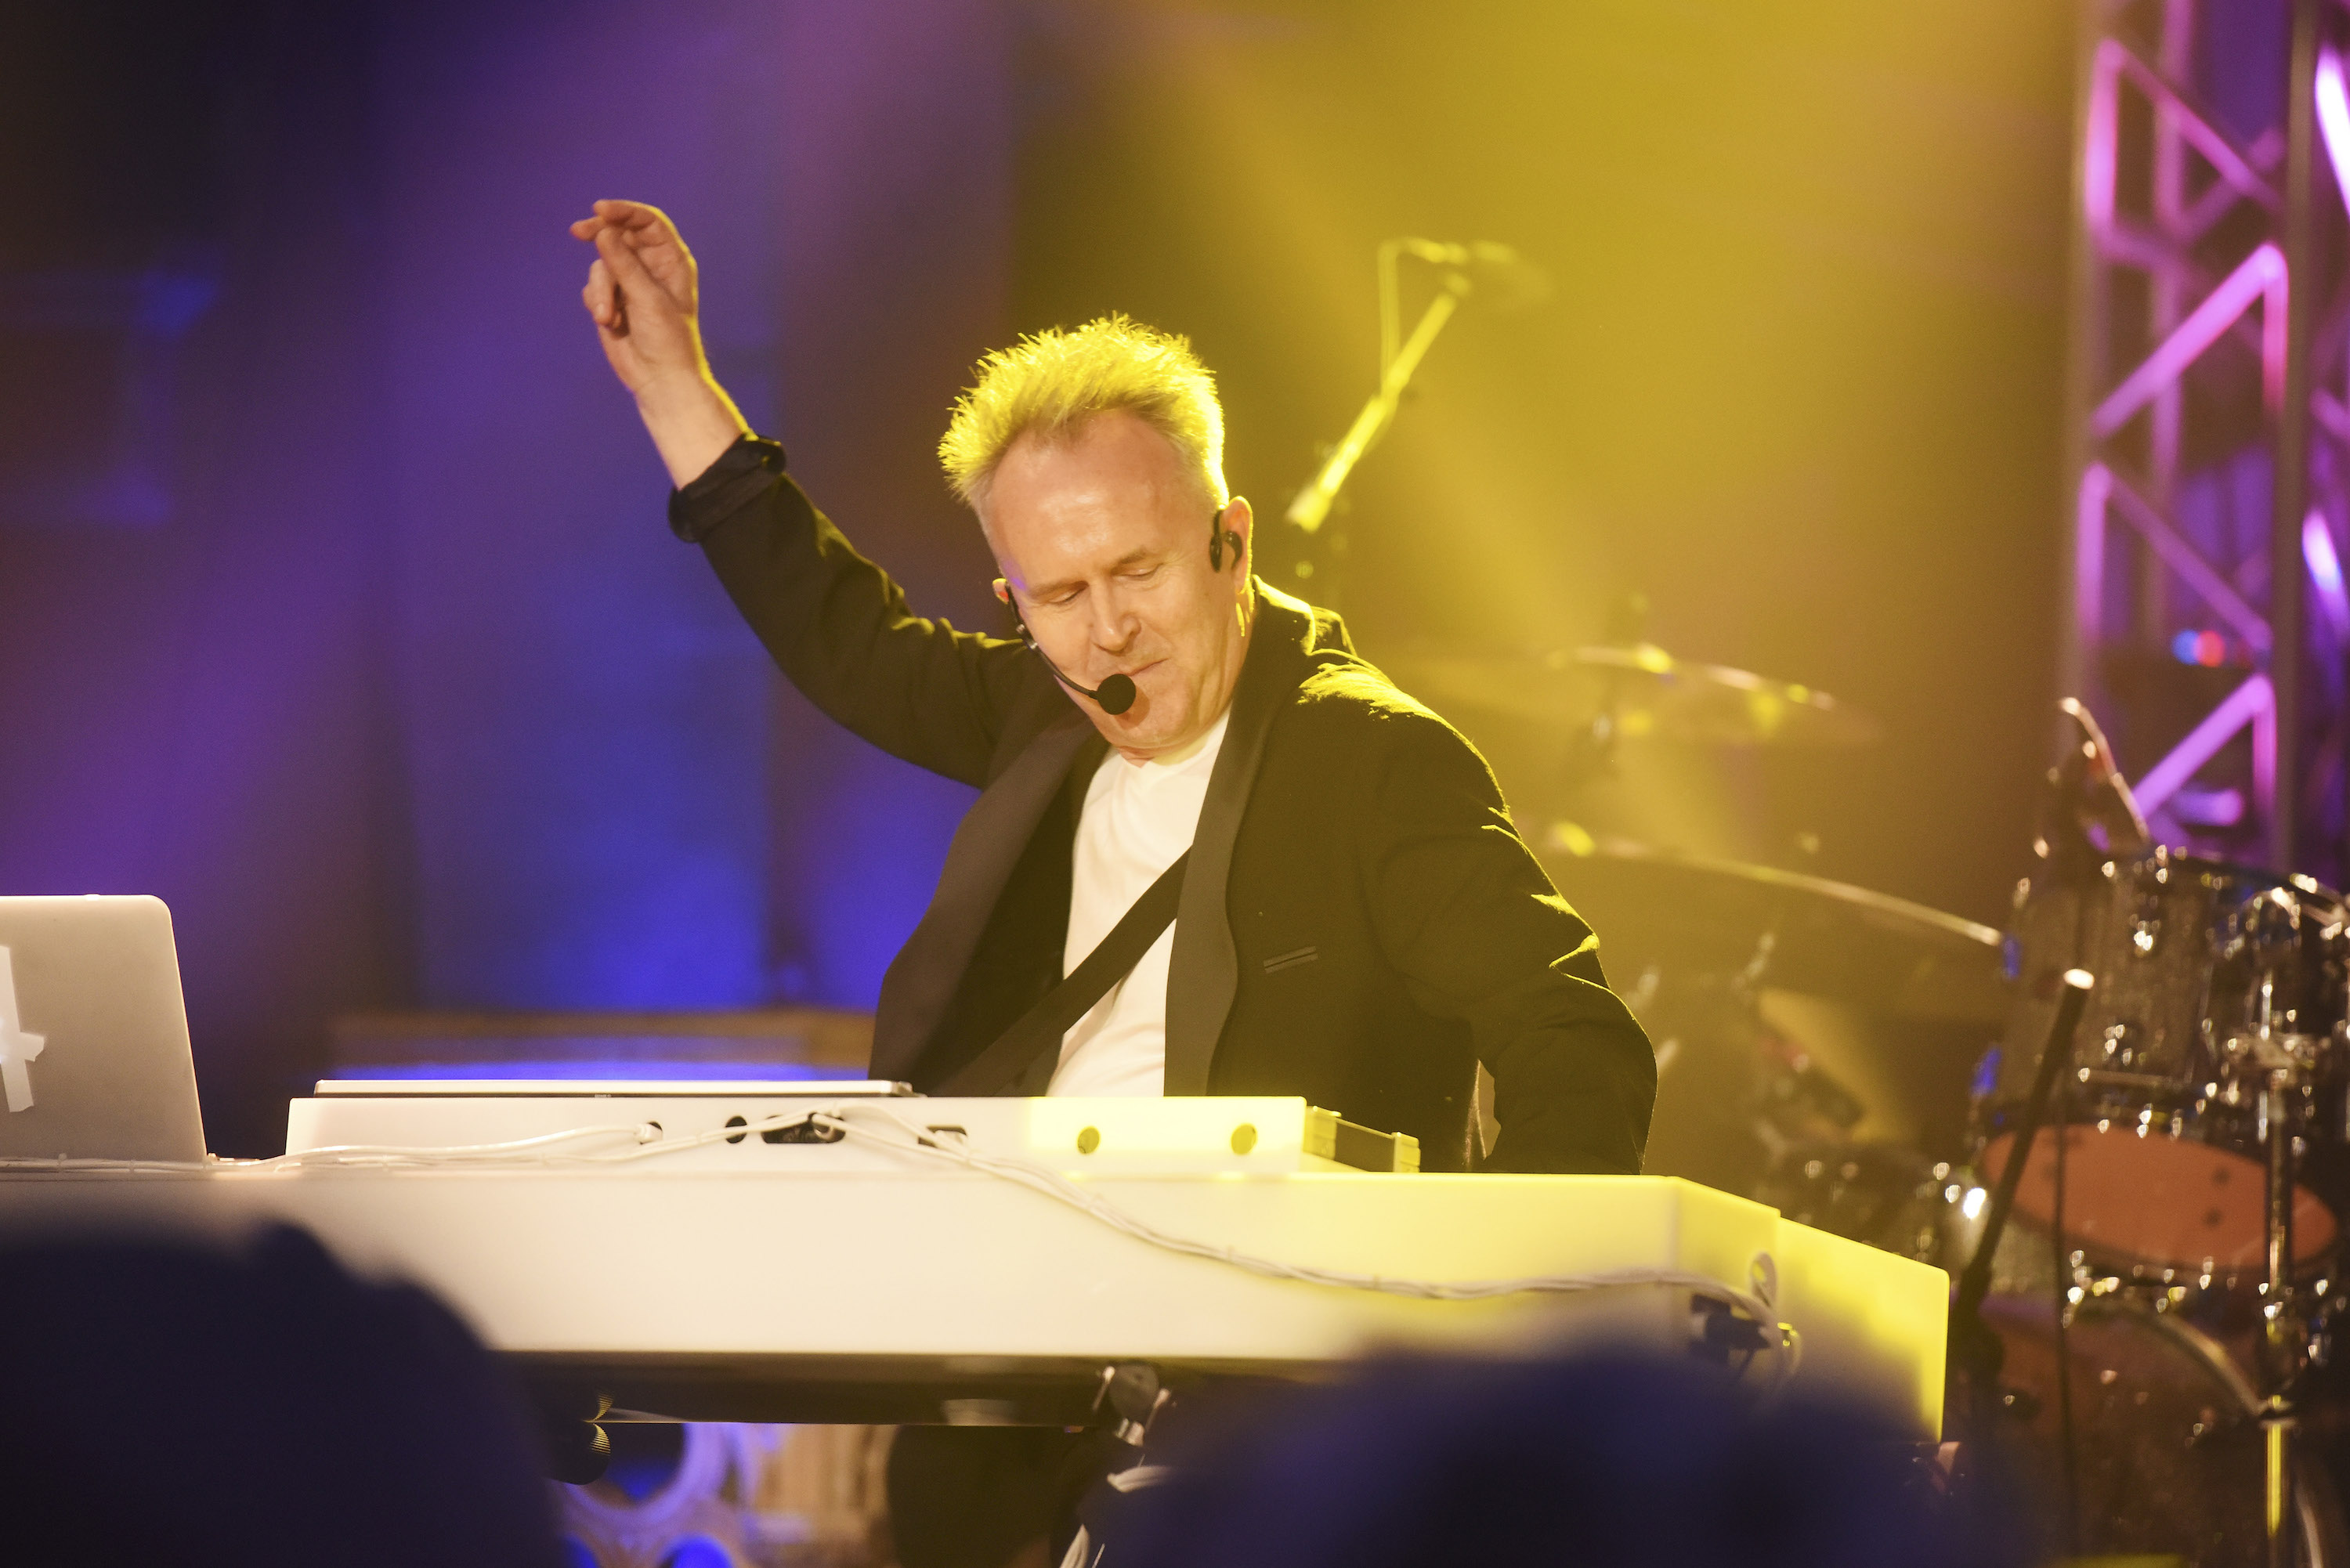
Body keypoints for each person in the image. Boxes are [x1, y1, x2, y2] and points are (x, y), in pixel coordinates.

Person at [567, 197, 1653, 1175]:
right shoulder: (1041, 712)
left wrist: (1475, 1335)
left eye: (1140, 570)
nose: (1109, 630)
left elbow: (1577, 1051)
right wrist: (671, 382)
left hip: (1261, 1350)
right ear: (1014, 596)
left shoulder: (1372, 759)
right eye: (1061, 594)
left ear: (1231, 542)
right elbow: (845, 636)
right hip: (1016, 1307)